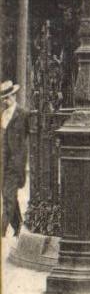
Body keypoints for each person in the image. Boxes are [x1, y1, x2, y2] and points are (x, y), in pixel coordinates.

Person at [2, 81, 29, 237]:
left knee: (8, 198)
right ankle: (18, 225)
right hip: (2, 164)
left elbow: (27, 141)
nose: (5, 101)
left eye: (7, 97)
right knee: (8, 196)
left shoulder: (23, 114)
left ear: (13, 95)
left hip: (14, 164)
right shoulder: (2, 114)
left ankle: (2, 230)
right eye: (3, 99)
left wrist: (21, 165)